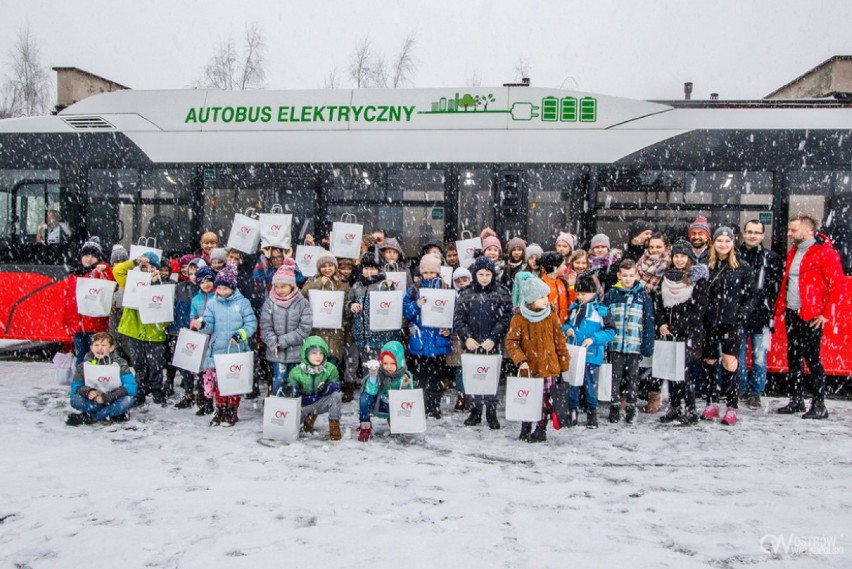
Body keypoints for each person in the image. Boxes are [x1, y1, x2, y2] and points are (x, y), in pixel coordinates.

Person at [775, 214, 845, 419]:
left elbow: (838, 286)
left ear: (807, 231)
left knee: (813, 359)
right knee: (793, 357)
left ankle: (819, 405)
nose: (789, 233)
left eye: (793, 230)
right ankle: (796, 400)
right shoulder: (794, 252)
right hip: (792, 312)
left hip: (811, 315)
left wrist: (825, 314)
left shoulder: (825, 253)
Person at [700, 227, 755, 426]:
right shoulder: (705, 265)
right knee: (709, 362)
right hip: (709, 321)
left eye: (727, 240)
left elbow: (752, 295)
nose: (723, 244)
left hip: (732, 322)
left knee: (730, 362)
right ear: (713, 243)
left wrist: (742, 314)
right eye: (720, 240)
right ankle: (711, 402)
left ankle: (732, 406)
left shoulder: (742, 267)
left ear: (733, 243)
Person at [505, 277, 571, 442]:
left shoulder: (551, 315)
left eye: (546, 297)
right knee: (528, 398)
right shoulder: (519, 318)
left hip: (549, 367)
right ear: (530, 299)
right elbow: (511, 342)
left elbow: (559, 340)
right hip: (529, 368)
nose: (545, 301)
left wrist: (563, 363)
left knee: (545, 401)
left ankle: (541, 428)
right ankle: (525, 426)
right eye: (541, 297)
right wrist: (521, 360)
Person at [654, 241, 709, 426]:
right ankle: (675, 407)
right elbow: (659, 304)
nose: (679, 260)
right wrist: (662, 323)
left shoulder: (697, 279)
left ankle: (691, 409)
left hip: (688, 334)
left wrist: (677, 326)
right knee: (670, 372)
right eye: (676, 256)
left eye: (683, 256)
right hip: (667, 333)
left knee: (684, 373)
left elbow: (698, 308)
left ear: (689, 258)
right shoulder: (664, 278)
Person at [195, 265, 258, 426]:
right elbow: (209, 324)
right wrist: (202, 325)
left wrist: (241, 334)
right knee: (220, 382)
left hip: (236, 349)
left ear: (232, 287)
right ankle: (220, 408)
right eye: (220, 288)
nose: (222, 291)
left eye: (225, 288)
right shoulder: (213, 304)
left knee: (234, 382)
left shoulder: (243, 303)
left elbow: (251, 323)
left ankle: (232, 410)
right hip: (218, 349)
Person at [455, 256, 512, 430]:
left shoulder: (501, 293)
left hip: (491, 345)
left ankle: (492, 413)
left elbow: (506, 318)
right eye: (481, 274)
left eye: (488, 274)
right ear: (475, 274)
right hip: (472, 344)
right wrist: (467, 337)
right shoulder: (466, 294)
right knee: (474, 379)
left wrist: (493, 338)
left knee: (491, 379)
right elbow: (459, 319)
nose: (485, 277)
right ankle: (475, 411)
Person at [737, 219, 783, 409]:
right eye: (749, 232)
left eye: (756, 232)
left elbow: (776, 288)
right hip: (738, 315)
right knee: (737, 356)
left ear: (763, 235)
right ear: (743, 233)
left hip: (762, 316)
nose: (752, 236)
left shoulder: (771, 258)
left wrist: (767, 307)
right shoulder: (735, 255)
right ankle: (739, 390)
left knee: (759, 357)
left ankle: (756, 393)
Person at [113, 252, 170, 406]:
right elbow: (117, 271)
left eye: (151, 267)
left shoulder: (163, 285)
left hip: (155, 332)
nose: (148, 270)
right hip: (134, 330)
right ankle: (140, 391)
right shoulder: (132, 282)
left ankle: (157, 392)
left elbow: (166, 308)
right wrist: (134, 261)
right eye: (144, 267)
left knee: (156, 364)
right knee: (138, 364)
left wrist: (155, 284)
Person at [602, 260, 655, 424]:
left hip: (634, 343)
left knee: (633, 376)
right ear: (619, 275)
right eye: (624, 275)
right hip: (616, 343)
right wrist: (604, 342)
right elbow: (604, 318)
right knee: (615, 376)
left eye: (631, 275)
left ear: (636, 275)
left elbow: (648, 321)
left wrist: (647, 343)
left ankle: (632, 406)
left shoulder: (643, 296)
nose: (627, 279)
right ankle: (615, 405)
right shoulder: (612, 294)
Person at [563, 273, 616, 429]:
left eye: (584, 293)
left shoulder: (601, 311)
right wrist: (568, 330)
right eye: (578, 293)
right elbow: (565, 325)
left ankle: (591, 412)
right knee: (572, 383)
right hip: (574, 353)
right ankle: (572, 411)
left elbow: (610, 332)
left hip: (591, 354)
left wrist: (594, 338)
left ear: (593, 292)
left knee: (590, 384)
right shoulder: (574, 309)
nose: (580, 297)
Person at [403, 253, 453, 419]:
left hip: (439, 343)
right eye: (426, 273)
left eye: (432, 273)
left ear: (438, 273)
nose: (429, 276)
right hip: (420, 342)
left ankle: (435, 406)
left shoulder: (445, 289)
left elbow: (454, 314)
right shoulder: (414, 290)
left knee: (436, 378)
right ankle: (422, 406)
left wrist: (449, 329)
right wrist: (417, 305)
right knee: (421, 378)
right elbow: (406, 311)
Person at [346, 247, 401, 394]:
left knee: (377, 365)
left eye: (372, 268)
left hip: (378, 335)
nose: (369, 272)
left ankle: (379, 390)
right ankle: (368, 391)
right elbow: (347, 304)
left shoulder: (383, 285)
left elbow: (392, 306)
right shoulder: (357, 286)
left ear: (379, 269)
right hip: (360, 334)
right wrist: (351, 306)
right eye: (366, 268)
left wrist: (391, 288)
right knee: (366, 365)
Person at [260, 259, 313, 398]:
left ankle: (292, 408)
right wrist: (273, 342)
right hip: (277, 354)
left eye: (283, 286)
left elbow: (304, 328)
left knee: (294, 381)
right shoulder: (269, 303)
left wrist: (283, 341)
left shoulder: (302, 303)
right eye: (276, 286)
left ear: (291, 285)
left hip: (296, 352)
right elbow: (265, 327)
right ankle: (277, 407)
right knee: (279, 379)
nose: (279, 290)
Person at [301, 252, 350, 392]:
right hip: (318, 330)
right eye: (324, 266)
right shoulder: (312, 280)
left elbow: (346, 302)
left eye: (330, 266)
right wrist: (317, 284)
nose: (327, 269)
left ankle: (331, 389)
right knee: (317, 359)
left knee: (333, 361)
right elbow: (303, 295)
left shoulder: (343, 282)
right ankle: (317, 389)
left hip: (336, 332)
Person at [63, 236, 115, 366]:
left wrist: (106, 270)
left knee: (96, 356)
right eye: (86, 255)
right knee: (81, 356)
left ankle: (94, 380)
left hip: (95, 325)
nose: (89, 258)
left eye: (93, 256)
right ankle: (81, 382)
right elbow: (69, 301)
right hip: (78, 325)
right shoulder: (74, 274)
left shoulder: (99, 272)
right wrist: (68, 322)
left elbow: (113, 285)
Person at [65, 332, 137, 425]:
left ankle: (92, 417)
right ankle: (111, 414)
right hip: (93, 401)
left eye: (103, 345)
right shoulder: (83, 366)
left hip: (114, 400)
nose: (100, 348)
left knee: (127, 401)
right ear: (91, 348)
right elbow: (75, 389)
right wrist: (88, 392)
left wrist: (106, 398)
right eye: (96, 345)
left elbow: (131, 387)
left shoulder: (120, 364)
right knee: (75, 400)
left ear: (111, 348)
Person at [282, 336, 342, 441]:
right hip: (303, 405)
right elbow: (291, 383)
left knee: (336, 397)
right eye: (314, 353)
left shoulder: (330, 369)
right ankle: (307, 419)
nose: (318, 356)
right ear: (306, 354)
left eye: (321, 353)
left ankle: (334, 426)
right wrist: (293, 389)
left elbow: (336, 384)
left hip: (320, 401)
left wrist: (328, 388)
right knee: (291, 429)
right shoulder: (296, 371)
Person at [357, 340, 415, 442]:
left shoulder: (404, 376)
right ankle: (365, 426)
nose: (389, 366)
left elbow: (407, 399)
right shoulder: (378, 373)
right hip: (379, 403)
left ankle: (396, 422)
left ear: (400, 361)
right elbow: (371, 392)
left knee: (403, 406)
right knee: (364, 398)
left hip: (395, 407)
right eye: (385, 363)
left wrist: (405, 385)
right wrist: (373, 377)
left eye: (393, 363)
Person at [169, 257, 204, 409]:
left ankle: (202, 393)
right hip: (182, 329)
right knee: (185, 364)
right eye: (190, 272)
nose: (193, 275)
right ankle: (189, 393)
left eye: (196, 272)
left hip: (201, 330)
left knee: (202, 366)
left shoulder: (206, 288)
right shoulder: (180, 287)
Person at [188, 266, 217, 415]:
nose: (206, 284)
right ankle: (207, 401)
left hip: (216, 339)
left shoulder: (217, 296)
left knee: (218, 372)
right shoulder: (196, 299)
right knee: (206, 373)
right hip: (203, 340)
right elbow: (192, 316)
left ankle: (221, 401)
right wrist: (193, 322)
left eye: (208, 281)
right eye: (202, 282)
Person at [448, 267, 472, 412]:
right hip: (457, 334)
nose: (462, 283)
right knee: (460, 367)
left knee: (471, 366)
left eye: (465, 280)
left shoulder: (474, 294)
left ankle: (469, 395)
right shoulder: (452, 296)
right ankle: (461, 394)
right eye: (458, 280)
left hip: (472, 335)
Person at [537, 251, 571, 324]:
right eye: (563, 264)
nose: (565, 267)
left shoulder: (563, 282)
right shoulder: (541, 284)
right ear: (555, 267)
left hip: (564, 326)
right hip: (547, 326)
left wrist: (572, 286)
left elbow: (571, 302)